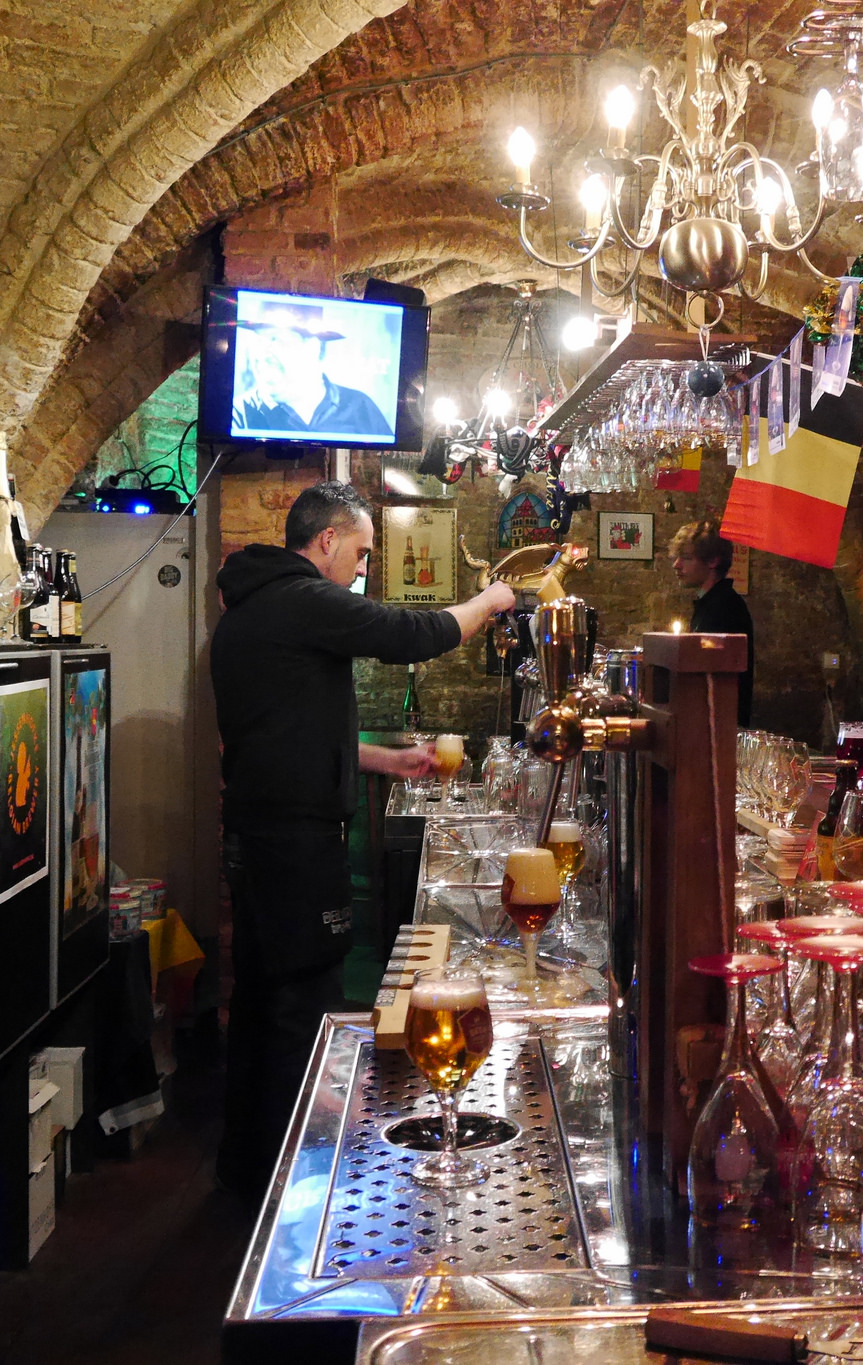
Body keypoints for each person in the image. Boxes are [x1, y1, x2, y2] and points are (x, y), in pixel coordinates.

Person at [209, 480, 514, 1195]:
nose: (362, 568)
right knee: (298, 1018)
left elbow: (286, 729)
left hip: (258, 844)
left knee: (260, 1007)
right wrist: (489, 603)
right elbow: (404, 634)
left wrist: (385, 760)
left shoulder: (253, 609)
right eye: (361, 552)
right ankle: (293, 1195)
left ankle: (244, 1175)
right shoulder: (303, 599)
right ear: (326, 541)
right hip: (293, 852)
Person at [232, 300, 394, 440]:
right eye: (260, 340)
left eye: (277, 340)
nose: (263, 354)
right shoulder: (239, 413)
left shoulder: (360, 407)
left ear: (313, 347)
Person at [670, 519, 754, 725]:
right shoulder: (711, 603)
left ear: (713, 561)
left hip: (718, 729)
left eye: (687, 558)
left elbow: (714, 683)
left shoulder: (724, 607)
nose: (676, 565)